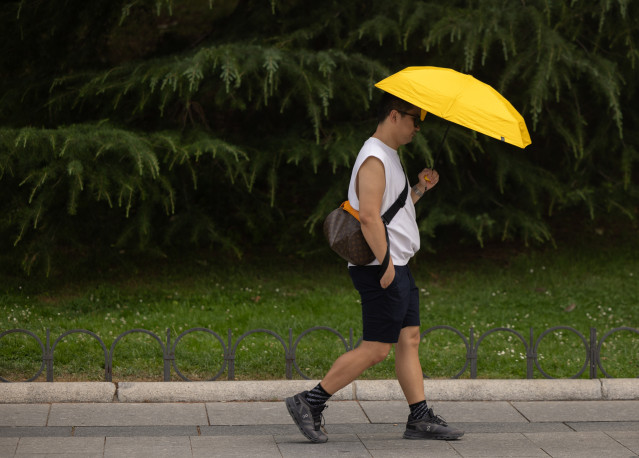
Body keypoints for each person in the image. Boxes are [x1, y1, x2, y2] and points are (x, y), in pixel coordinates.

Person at [285, 93, 464, 443]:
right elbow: (368, 217)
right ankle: (309, 401)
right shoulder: (373, 158)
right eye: (415, 119)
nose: (417, 127)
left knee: (408, 339)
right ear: (395, 115)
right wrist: (386, 266)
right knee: (376, 348)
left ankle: (419, 417)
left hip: (397, 263)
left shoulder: (389, 157)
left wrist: (418, 190)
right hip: (382, 267)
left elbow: (389, 210)